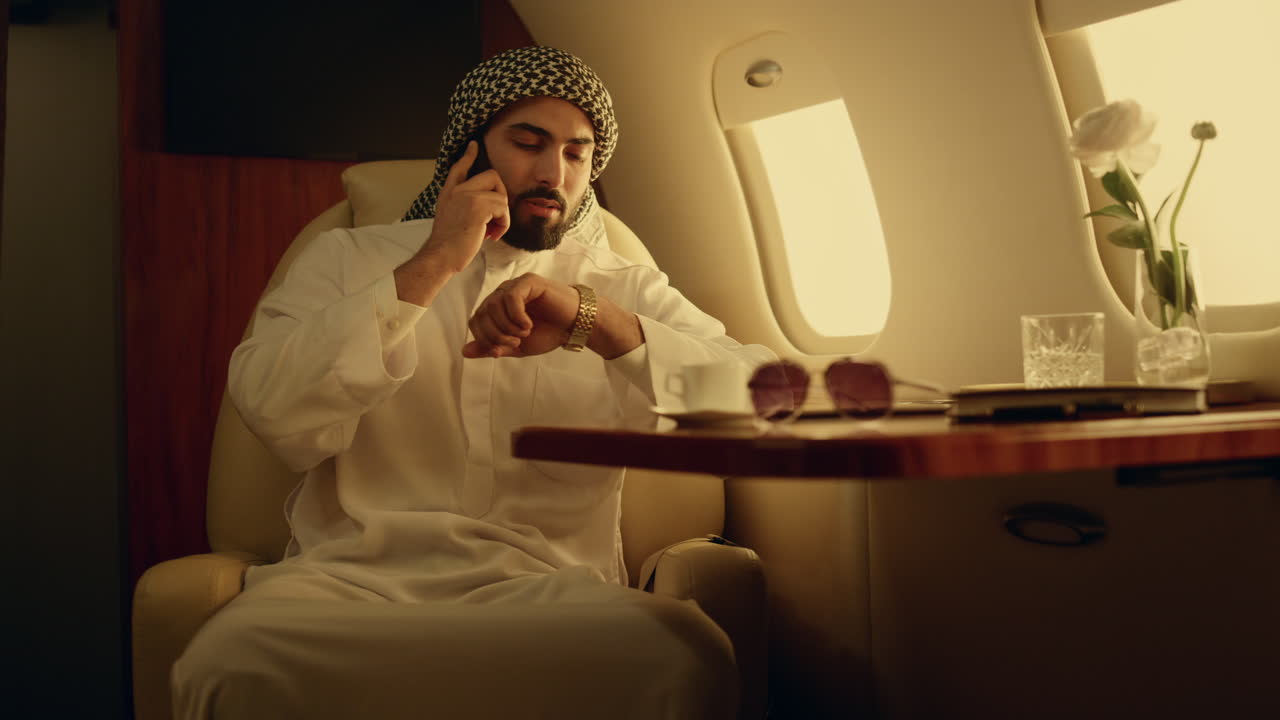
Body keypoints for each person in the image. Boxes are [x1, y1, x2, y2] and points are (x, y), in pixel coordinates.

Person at [171, 45, 774, 719]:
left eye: (577, 154)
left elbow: (761, 406)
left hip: (554, 593)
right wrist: (433, 262)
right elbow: (269, 406)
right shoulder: (346, 258)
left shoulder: (619, 284)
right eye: (529, 143)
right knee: (230, 660)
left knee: (686, 655)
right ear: (469, 151)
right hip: (347, 587)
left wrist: (595, 321)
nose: (553, 173)